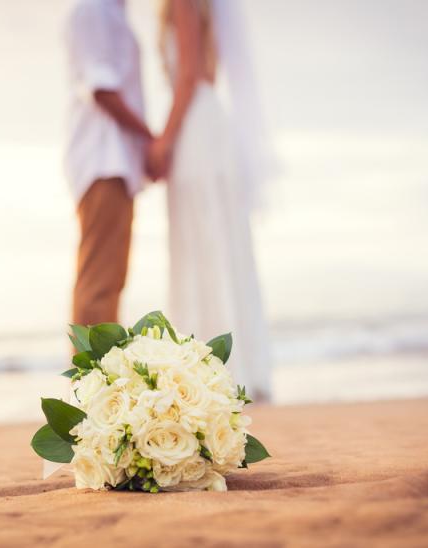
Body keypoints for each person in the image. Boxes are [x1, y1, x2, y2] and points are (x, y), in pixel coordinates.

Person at [148, 0, 273, 401]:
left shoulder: (183, 3)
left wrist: (163, 141)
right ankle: (237, 367)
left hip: (196, 131)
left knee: (200, 245)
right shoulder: (205, 8)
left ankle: (210, 372)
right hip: (209, 125)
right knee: (219, 245)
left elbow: (189, 75)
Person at [63, 0, 152, 327]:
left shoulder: (110, 10)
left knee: (109, 281)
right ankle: (88, 378)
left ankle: (97, 376)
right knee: (99, 283)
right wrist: (150, 140)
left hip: (115, 159)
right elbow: (101, 89)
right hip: (103, 158)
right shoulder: (93, 9)